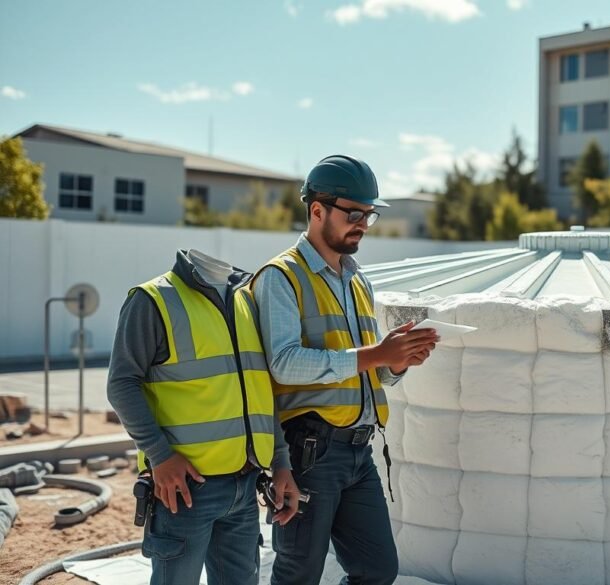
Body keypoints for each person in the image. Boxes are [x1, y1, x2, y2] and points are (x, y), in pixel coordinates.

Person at [253, 154, 438, 585]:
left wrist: (396, 362)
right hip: (309, 453)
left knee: (377, 570)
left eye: (368, 216)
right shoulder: (281, 278)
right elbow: (283, 363)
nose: (362, 224)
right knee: (299, 572)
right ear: (317, 210)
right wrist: (375, 355)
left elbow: (368, 369)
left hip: (359, 450)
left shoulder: (357, 280)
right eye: (353, 213)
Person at [107, 248, 300, 585]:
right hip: (186, 490)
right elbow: (121, 384)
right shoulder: (152, 300)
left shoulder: (247, 300)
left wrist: (281, 461)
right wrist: (160, 456)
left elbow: (260, 391)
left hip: (246, 484)